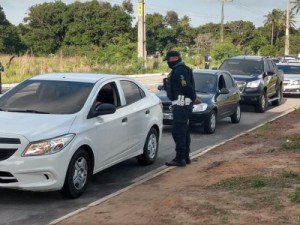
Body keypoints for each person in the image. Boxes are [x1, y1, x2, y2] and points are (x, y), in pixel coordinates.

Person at [163, 50, 201, 167]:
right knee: (184, 132)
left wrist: (194, 97)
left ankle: (180, 159)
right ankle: (185, 157)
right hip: (182, 104)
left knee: (178, 132)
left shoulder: (180, 70)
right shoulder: (181, 69)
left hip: (181, 105)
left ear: (174, 58)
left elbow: (185, 85)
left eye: (168, 60)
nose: (168, 62)